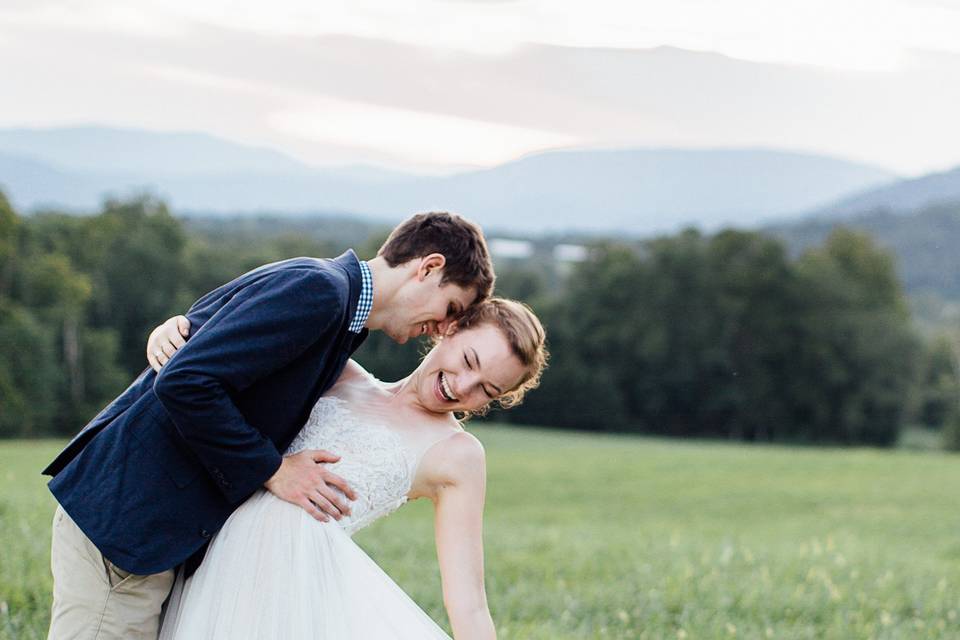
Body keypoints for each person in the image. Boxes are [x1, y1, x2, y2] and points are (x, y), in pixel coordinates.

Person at [42, 212, 495, 640]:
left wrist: (181, 327)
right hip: (128, 520)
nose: (442, 328)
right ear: (429, 267)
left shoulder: (336, 314)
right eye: (450, 307)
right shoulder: (320, 292)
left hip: (161, 534)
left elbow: (208, 329)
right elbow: (186, 381)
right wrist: (273, 469)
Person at [150, 298, 547, 639]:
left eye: (487, 390)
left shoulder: (457, 455)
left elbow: (469, 600)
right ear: (452, 328)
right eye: (468, 361)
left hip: (294, 597)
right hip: (215, 566)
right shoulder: (341, 374)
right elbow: (231, 356)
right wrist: (177, 330)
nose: (463, 387)